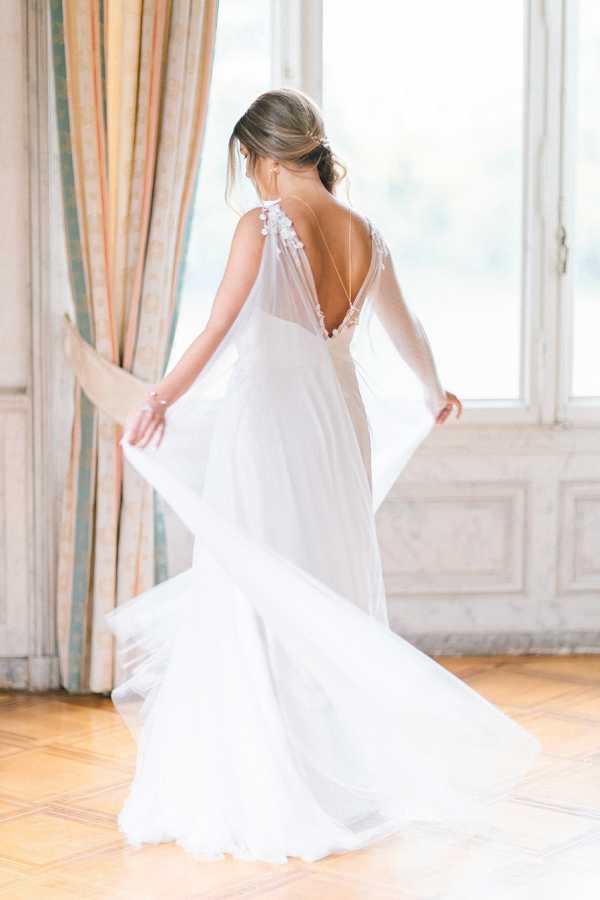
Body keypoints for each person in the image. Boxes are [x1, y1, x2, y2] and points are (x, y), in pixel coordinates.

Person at [107, 88, 540, 865]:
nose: (252, 181)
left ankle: (270, 782)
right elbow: (409, 329)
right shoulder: (367, 234)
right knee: (326, 585)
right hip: (341, 430)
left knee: (258, 589)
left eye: (248, 166)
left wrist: (157, 401)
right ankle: (332, 777)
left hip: (271, 429)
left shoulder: (264, 225)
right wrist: (433, 391)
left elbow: (216, 328)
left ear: (261, 157)